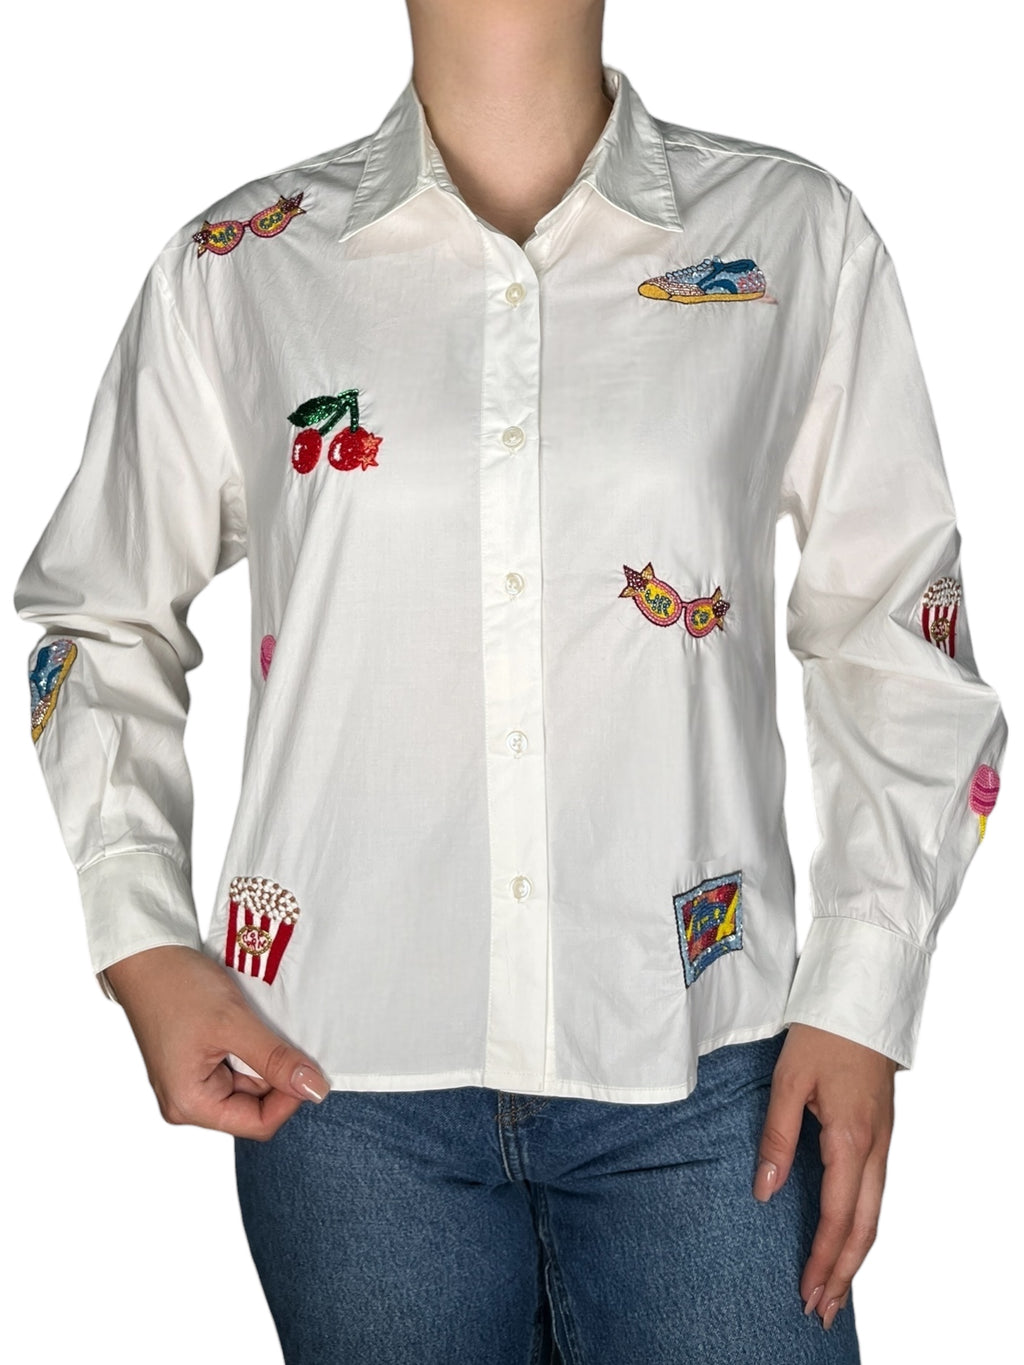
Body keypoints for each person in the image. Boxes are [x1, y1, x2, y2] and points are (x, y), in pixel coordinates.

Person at [12, 1, 1008, 1361]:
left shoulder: (791, 236)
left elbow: (900, 629)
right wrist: (143, 943)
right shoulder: (244, 267)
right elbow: (94, 613)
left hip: (710, 1073)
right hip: (341, 1084)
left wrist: (864, 989)